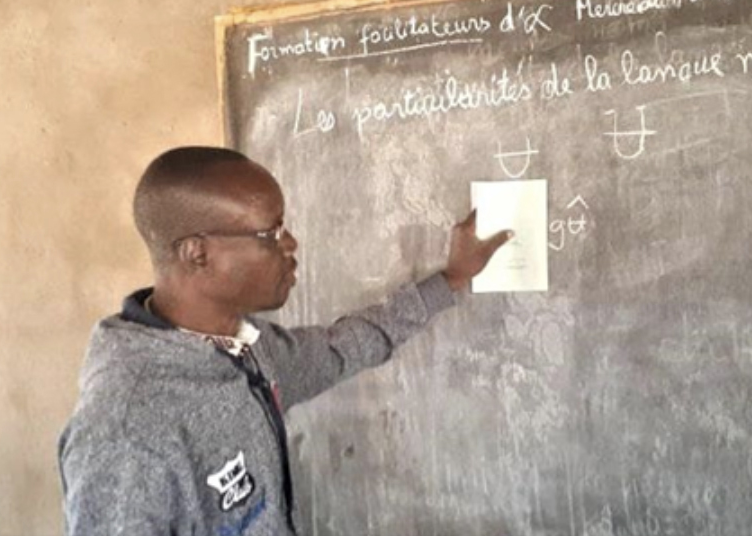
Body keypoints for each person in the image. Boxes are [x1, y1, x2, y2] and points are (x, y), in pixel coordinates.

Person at [58, 146, 511, 536]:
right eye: (271, 233)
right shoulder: (128, 430)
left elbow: (341, 348)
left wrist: (450, 280)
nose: (291, 243)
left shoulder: (245, 350)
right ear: (199, 253)